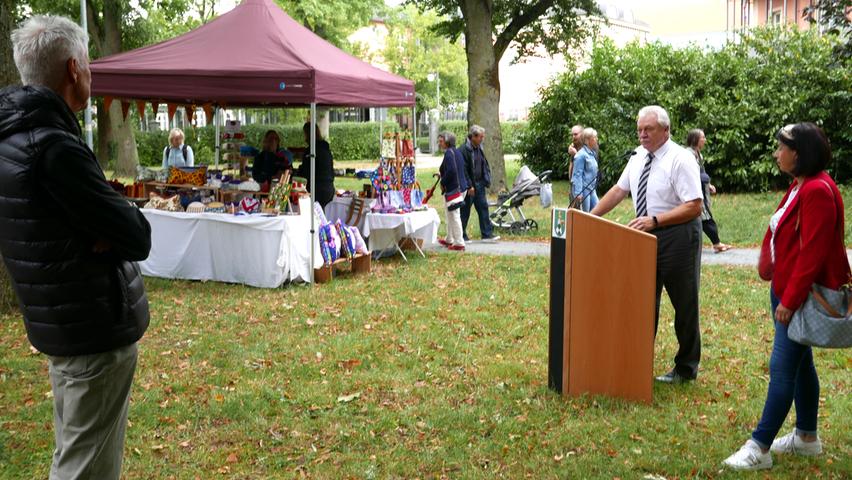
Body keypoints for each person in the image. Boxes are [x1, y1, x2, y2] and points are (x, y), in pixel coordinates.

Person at [0, 15, 151, 479]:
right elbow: (137, 234)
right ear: (73, 69)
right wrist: (105, 228)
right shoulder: (54, 149)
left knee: (74, 452)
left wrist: (99, 226)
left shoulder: (13, 138)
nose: (90, 72)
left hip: (63, 322)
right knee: (85, 466)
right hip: (89, 327)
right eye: (87, 63)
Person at [723, 123, 850, 471]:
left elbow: (813, 253)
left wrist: (790, 301)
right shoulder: (801, 184)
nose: (777, 153)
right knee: (801, 365)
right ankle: (806, 438)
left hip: (798, 297)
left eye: (782, 148)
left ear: (800, 152)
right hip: (786, 290)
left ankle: (759, 447)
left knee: (782, 370)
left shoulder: (817, 190)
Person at [591, 105, 703, 384]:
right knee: (640, 302)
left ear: (665, 130)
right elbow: (619, 190)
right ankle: (636, 362)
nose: (642, 134)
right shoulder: (638, 156)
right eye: (639, 129)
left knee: (684, 305)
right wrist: (589, 217)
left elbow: (694, 206)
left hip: (677, 236)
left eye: (648, 129)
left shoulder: (681, 159)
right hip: (643, 236)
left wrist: (655, 220)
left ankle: (686, 368)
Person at [686, 128, 731, 253]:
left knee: (702, 216)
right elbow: (690, 174)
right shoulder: (688, 155)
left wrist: (709, 184)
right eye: (703, 138)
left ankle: (714, 243)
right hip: (694, 192)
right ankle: (716, 243)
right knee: (705, 216)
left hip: (702, 190)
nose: (705, 140)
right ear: (695, 139)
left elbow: (702, 171)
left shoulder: (698, 154)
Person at [460, 125, 499, 242]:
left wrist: (485, 179)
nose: (482, 139)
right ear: (473, 137)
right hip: (470, 186)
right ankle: (461, 235)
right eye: (481, 137)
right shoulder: (463, 150)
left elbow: (482, 164)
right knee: (465, 210)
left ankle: (487, 234)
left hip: (480, 184)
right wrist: (469, 186)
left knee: (483, 208)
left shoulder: (479, 148)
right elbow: (463, 170)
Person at [436, 131, 467, 251]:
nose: (439, 143)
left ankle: (459, 242)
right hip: (460, 187)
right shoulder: (457, 152)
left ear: (447, 141)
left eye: (441, 141)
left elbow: (452, 171)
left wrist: (442, 182)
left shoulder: (449, 153)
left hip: (454, 189)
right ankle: (449, 239)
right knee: (450, 214)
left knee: (454, 216)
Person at [296, 122, 335, 208]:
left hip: (317, 188)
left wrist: (297, 173)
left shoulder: (311, 150)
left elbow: (307, 172)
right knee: (320, 212)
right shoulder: (326, 148)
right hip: (329, 187)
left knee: (312, 212)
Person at [571, 127, 600, 212]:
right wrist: (578, 193)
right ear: (588, 140)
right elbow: (577, 174)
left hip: (591, 188)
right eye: (594, 137)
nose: (596, 139)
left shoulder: (592, 153)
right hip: (584, 189)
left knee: (597, 210)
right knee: (585, 214)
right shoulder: (581, 155)